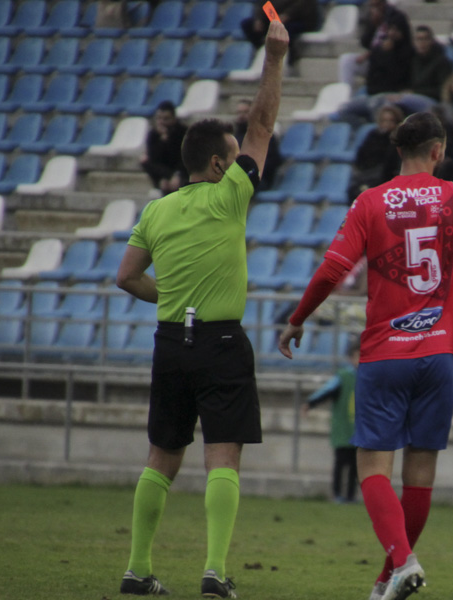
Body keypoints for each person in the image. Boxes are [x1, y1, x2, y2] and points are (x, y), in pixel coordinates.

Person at [277, 113, 453, 600]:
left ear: (399, 151)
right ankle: (388, 576)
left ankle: (401, 563)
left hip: (387, 352)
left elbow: (331, 270)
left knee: (372, 468)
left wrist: (299, 317)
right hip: (440, 356)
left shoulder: (370, 201)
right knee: (419, 472)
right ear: (438, 151)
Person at [113, 21, 289, 599]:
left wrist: (170, 297)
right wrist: (275, 58)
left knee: (161, 456)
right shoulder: (230, 195)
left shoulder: (157, 211)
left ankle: (137, 570)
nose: (243, 165)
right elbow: (262, 124)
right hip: (219, 344)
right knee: (223, 457)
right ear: (219, 166)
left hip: (170, 343)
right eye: (235, 159)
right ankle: (214, 571)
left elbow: (126, 277)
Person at [305, 339, 361, 504]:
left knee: (356, 467)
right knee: (341, 464)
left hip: (360, 431)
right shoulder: (343, 377)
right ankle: (337, 494)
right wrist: (310, 403)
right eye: (357, 356)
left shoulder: (369, 377)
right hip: (343, 430)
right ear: (350, 357)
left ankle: (351, 496)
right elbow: (326, 391)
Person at [232, 99, 282, 191]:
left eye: (246, 112)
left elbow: (273, 161)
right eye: (239, 112)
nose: (241, 116)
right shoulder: (235, 137)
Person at [140, 101, 187, 197]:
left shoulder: (183, 133)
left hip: (181, 172)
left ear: (173, 119)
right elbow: (153, 159)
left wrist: (177, 175)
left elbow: (185, 157)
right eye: (159, 118)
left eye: (166, 119)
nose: (162, 122)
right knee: (145, 161)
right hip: (163, 174)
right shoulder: (153, 134)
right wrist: (162, 141)